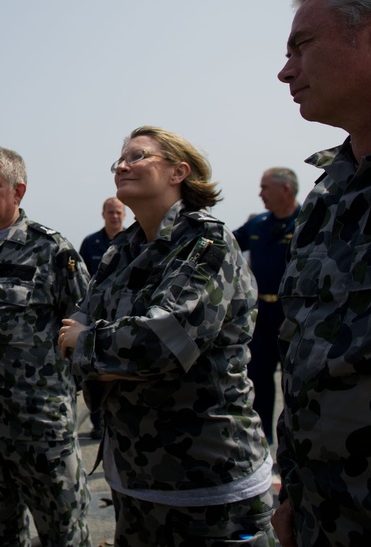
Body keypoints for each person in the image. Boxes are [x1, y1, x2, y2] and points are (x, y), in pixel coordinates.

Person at [60, 126, 274, 546]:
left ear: (179, 171)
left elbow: (160, 346)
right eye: (118, 160)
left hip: (207, 486)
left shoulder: (206, 243)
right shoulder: (122, 249)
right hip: (135, 481)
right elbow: (70, 333)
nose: (122, 165)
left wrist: (93, 348)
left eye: (137, 156)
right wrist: (106, 355)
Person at [272, 0, 371, 546]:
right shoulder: (330, 194)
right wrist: (295, 489)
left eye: (302, 47)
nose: (285, 70)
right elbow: (305, 364)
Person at [0, 146, 91, 547]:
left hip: (40, 429)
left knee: (64, 535)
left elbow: (85, 328)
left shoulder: (51, 250)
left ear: (18, 191)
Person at [232, 168, 300, 445]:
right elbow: (228, 243)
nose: (260, 193)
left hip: (295, 317)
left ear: (285, 189)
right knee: (258, 380)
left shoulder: (311, 221)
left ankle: (295, 443)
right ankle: (263, 444)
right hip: (261, 317)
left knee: (296, 384)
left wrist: (295, 313)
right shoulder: (258, 224)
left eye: (265, 187)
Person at [78, 196, 126, 439]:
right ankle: (98, 424)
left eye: (118, 212)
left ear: (124, 215)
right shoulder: (90, 244)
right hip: (97, 317)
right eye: (110, 212)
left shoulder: (137, 241)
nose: (114, 216)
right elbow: (81, 281)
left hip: (126, 318)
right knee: (96, 372)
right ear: (103, 214)